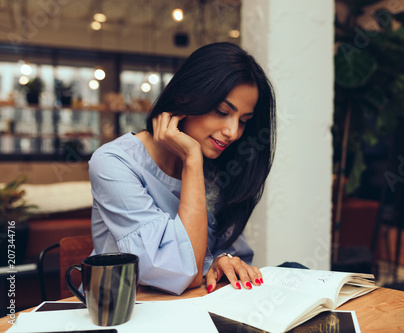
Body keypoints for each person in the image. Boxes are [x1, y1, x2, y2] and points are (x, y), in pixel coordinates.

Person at [88, 42, 276, 295]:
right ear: (184, 97)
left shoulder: (216, 168)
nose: (233, 132)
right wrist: (192, 159)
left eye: (243, 121)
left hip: (192, 310)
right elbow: (181, 271)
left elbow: (225, 251)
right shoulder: (114, 163)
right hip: (122, 311)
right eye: (222, 112)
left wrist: (224, 261)